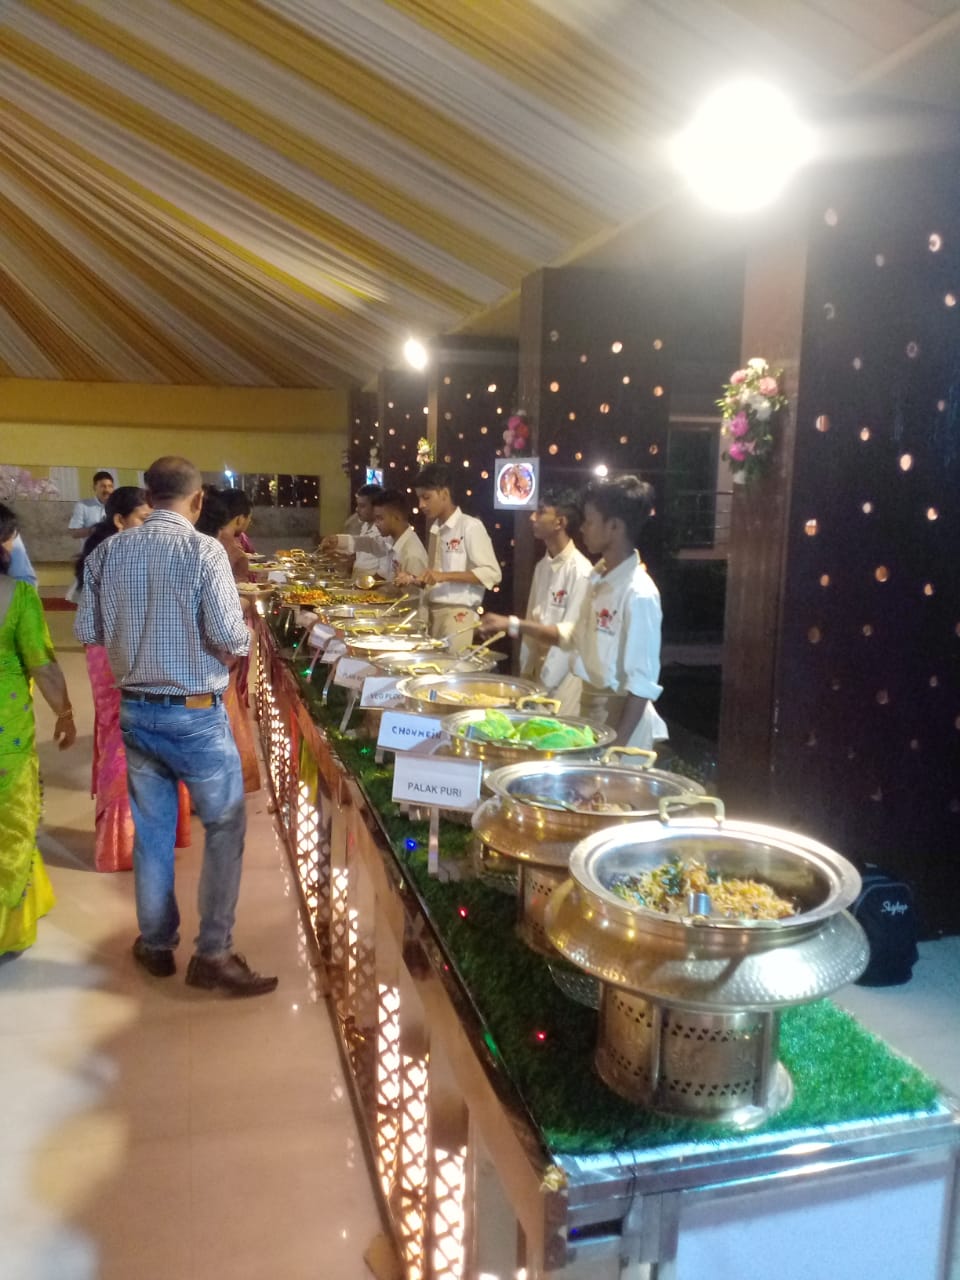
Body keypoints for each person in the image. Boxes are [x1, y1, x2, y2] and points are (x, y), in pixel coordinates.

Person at [75, 457, 276, 996]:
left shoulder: (107, 552)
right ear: (197, 501)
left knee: (154, 834)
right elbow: (232, 640)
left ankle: (157, 944)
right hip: (194, 716)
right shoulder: (205, 550)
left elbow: (89, 630)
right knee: (226, 827)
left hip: (136, 711)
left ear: (149, 494)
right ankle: (213, 953)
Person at [480, 476, 667, 748]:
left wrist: (616, 748)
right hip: (591, 709)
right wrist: (513, 625)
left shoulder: (639, 592)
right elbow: (572, 635)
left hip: (620, 719)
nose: (583, 528)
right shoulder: (599, 577)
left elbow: (642, 685)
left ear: (614, 526)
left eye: (590, 521)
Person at [77, 488, 193, 873]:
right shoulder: (111, 559)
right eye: (144, 518)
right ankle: (123, 843)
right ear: (120, 521)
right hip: (117, 658)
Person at [0, 503, 76, 957]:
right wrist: (65, 715)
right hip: (5, 734)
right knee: (12, 821)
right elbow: (43, 667)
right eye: (10, 537)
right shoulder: (16, 596)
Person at [483, 489, 592, 715]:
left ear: (560, 522)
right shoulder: (542, 567)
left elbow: (568, 638)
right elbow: (534, 621)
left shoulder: (581, 571)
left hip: (564, 679)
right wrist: (527, 675)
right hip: (537, 677)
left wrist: (545, 683)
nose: (533, 518)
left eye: (541, 512)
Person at [193, 491, 261, 794]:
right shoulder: (212, 551)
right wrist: (247, 603)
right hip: (212, 652)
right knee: (221, 711)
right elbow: (220, 609)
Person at [399, 462, 502, 653]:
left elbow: (492, 573)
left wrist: (443, 576)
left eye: (426, 497)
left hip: (458, 614)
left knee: (450, 675)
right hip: (432, 613)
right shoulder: (435, 529)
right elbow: (435, 579)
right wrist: (414, 579)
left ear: (444, 494)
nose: (421, 505)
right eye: (419, 498)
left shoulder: (470, 526)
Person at [321, 483, 390, 579]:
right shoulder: (365, 525)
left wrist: (361, 586)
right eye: (357, 505)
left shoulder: (385, 532)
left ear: (376, 507)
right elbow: (360, 556)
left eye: (362, 506)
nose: (357, 509)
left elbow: (384, 573)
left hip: (371, 590)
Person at [371, 489, 429, 583]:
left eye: (380, 518)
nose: (376, 524)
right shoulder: (391, 540)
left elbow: (415, 595)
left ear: (397, 517)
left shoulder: (412, 554)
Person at [69, 470, 115, 541]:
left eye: (110, 486)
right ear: (94, 487)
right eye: (103, 486)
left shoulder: (118, 506)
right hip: (91, 551)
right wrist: (93, 530)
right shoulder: (83, 505)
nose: (107, 490)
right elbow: (74, 533)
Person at [220, 487, 256, 556]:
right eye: (249, 518)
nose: (249, 522)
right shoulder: (237, 556)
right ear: (240, 519)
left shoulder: (205, 540)